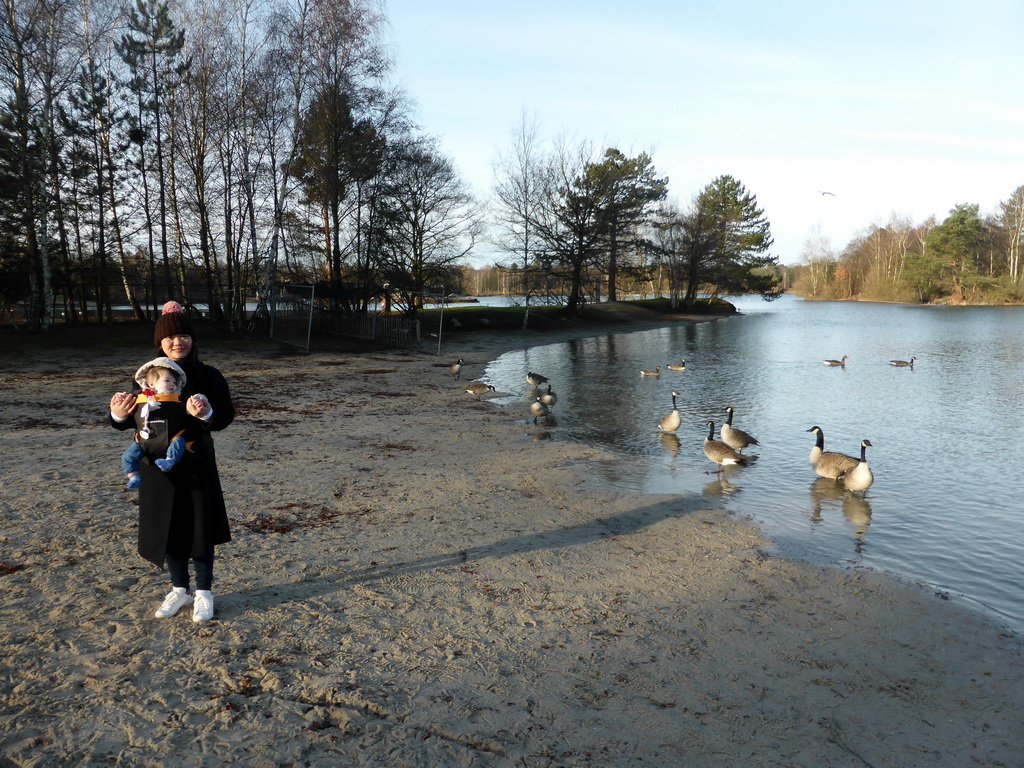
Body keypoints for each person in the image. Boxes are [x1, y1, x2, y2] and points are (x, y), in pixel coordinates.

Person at [110, 301, 235, 623]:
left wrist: (206, 414)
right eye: (170, 337)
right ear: (160, 342)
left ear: (192, 339)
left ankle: (204, 592)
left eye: (183, 335)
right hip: (155, 467)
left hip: (195, 462)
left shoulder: (208, 375)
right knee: (167, 527)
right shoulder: (149, 375)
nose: (177, 342)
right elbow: (131, 420)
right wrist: (117, 414)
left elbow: (224, 417)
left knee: (199, 528)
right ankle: (180, 590)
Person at [119, 357, 209, 489]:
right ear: (151, 384)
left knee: (179, 443)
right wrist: (119, 405)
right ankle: (133, 476)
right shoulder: (140, 398)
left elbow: (199, 399)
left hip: (173, 439)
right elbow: (124, 415)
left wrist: (199, 402)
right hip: (144, 442)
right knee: (128, 456)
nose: (172, 384)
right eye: (167, 381)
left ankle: (169, 461)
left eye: (174, 381)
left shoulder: (181, 399)